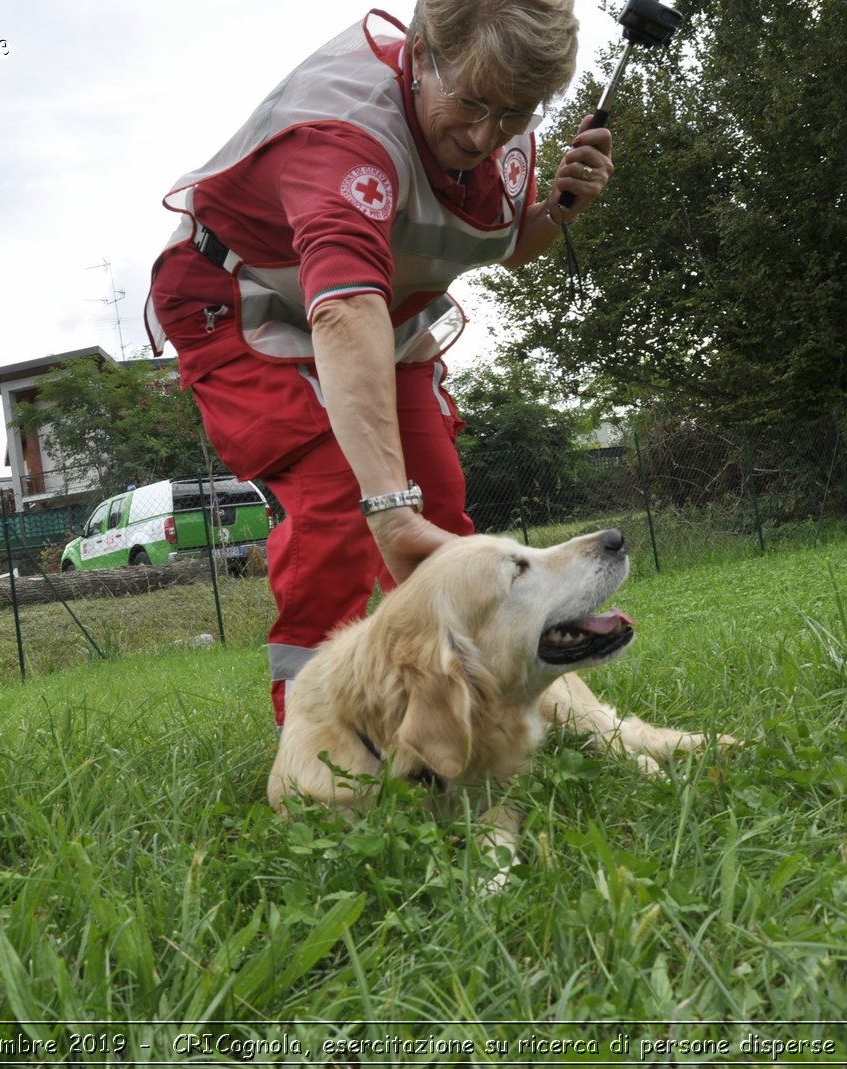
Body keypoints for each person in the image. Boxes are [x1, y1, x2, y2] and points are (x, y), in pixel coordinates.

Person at [147, 0, 614, 726]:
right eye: (472, 104)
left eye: (516, 112)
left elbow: (507, 241)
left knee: (441, 508)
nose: (486, 135)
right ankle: (319, 737)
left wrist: (558, 209)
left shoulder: (496, 116)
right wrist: (387, 511)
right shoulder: (343, 135)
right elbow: (342, 311)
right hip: (246, 300)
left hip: (382, 305)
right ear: (420, 53)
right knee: (343, 497)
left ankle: (467, 714)